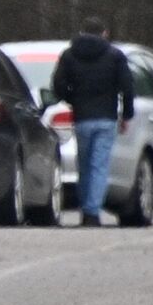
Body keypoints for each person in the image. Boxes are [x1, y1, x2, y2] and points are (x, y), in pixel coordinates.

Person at [49, 18, 135, 227]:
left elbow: (57, 84)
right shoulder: (115, 56)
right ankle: (91, 211)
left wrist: (73, 99)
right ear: (104, 33)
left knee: (84, 166)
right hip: (106, 118)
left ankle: (86, 207)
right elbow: (127, 86)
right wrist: (126, 115)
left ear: (81, 31)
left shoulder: (69, 55)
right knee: (99, 166)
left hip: (82, 118)